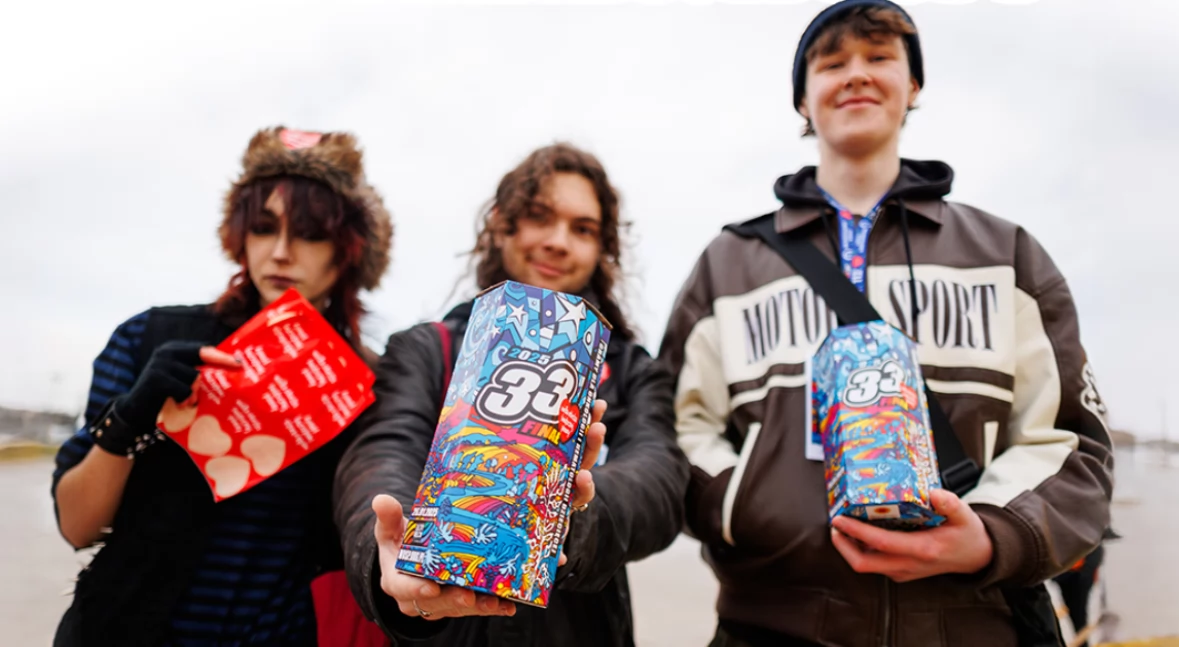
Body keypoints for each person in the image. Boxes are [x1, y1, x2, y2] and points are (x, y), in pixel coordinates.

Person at [657, 2, 1114, 646]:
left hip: (970, 626)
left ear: (914, 86)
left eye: (879, 57)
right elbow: (675, 427)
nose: (856, 75)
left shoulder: (1005, 254)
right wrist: (746, 505)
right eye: (832, 62)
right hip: (770, 622)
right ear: (802, 100)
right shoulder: (728, 264)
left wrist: (990, 534)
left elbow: (1073, 443)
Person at [334, 142, 689, 646]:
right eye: (538, 217)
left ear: (602, 248)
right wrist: (388, 551)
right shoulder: (429, 349)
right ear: (501, 224)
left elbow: (660, 479)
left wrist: (565, 519)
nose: (558, 241)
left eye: (583, 229)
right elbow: (383, 450)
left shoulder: (629, 367)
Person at [51, 126, 394, 646]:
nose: (281, 252)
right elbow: (76, 525)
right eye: (263, 227)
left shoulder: (367, 385)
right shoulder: (151, 336)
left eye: (310, 232)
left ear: (348, 249)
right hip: (122, 628)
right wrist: (129, 419)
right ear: (239, 236)